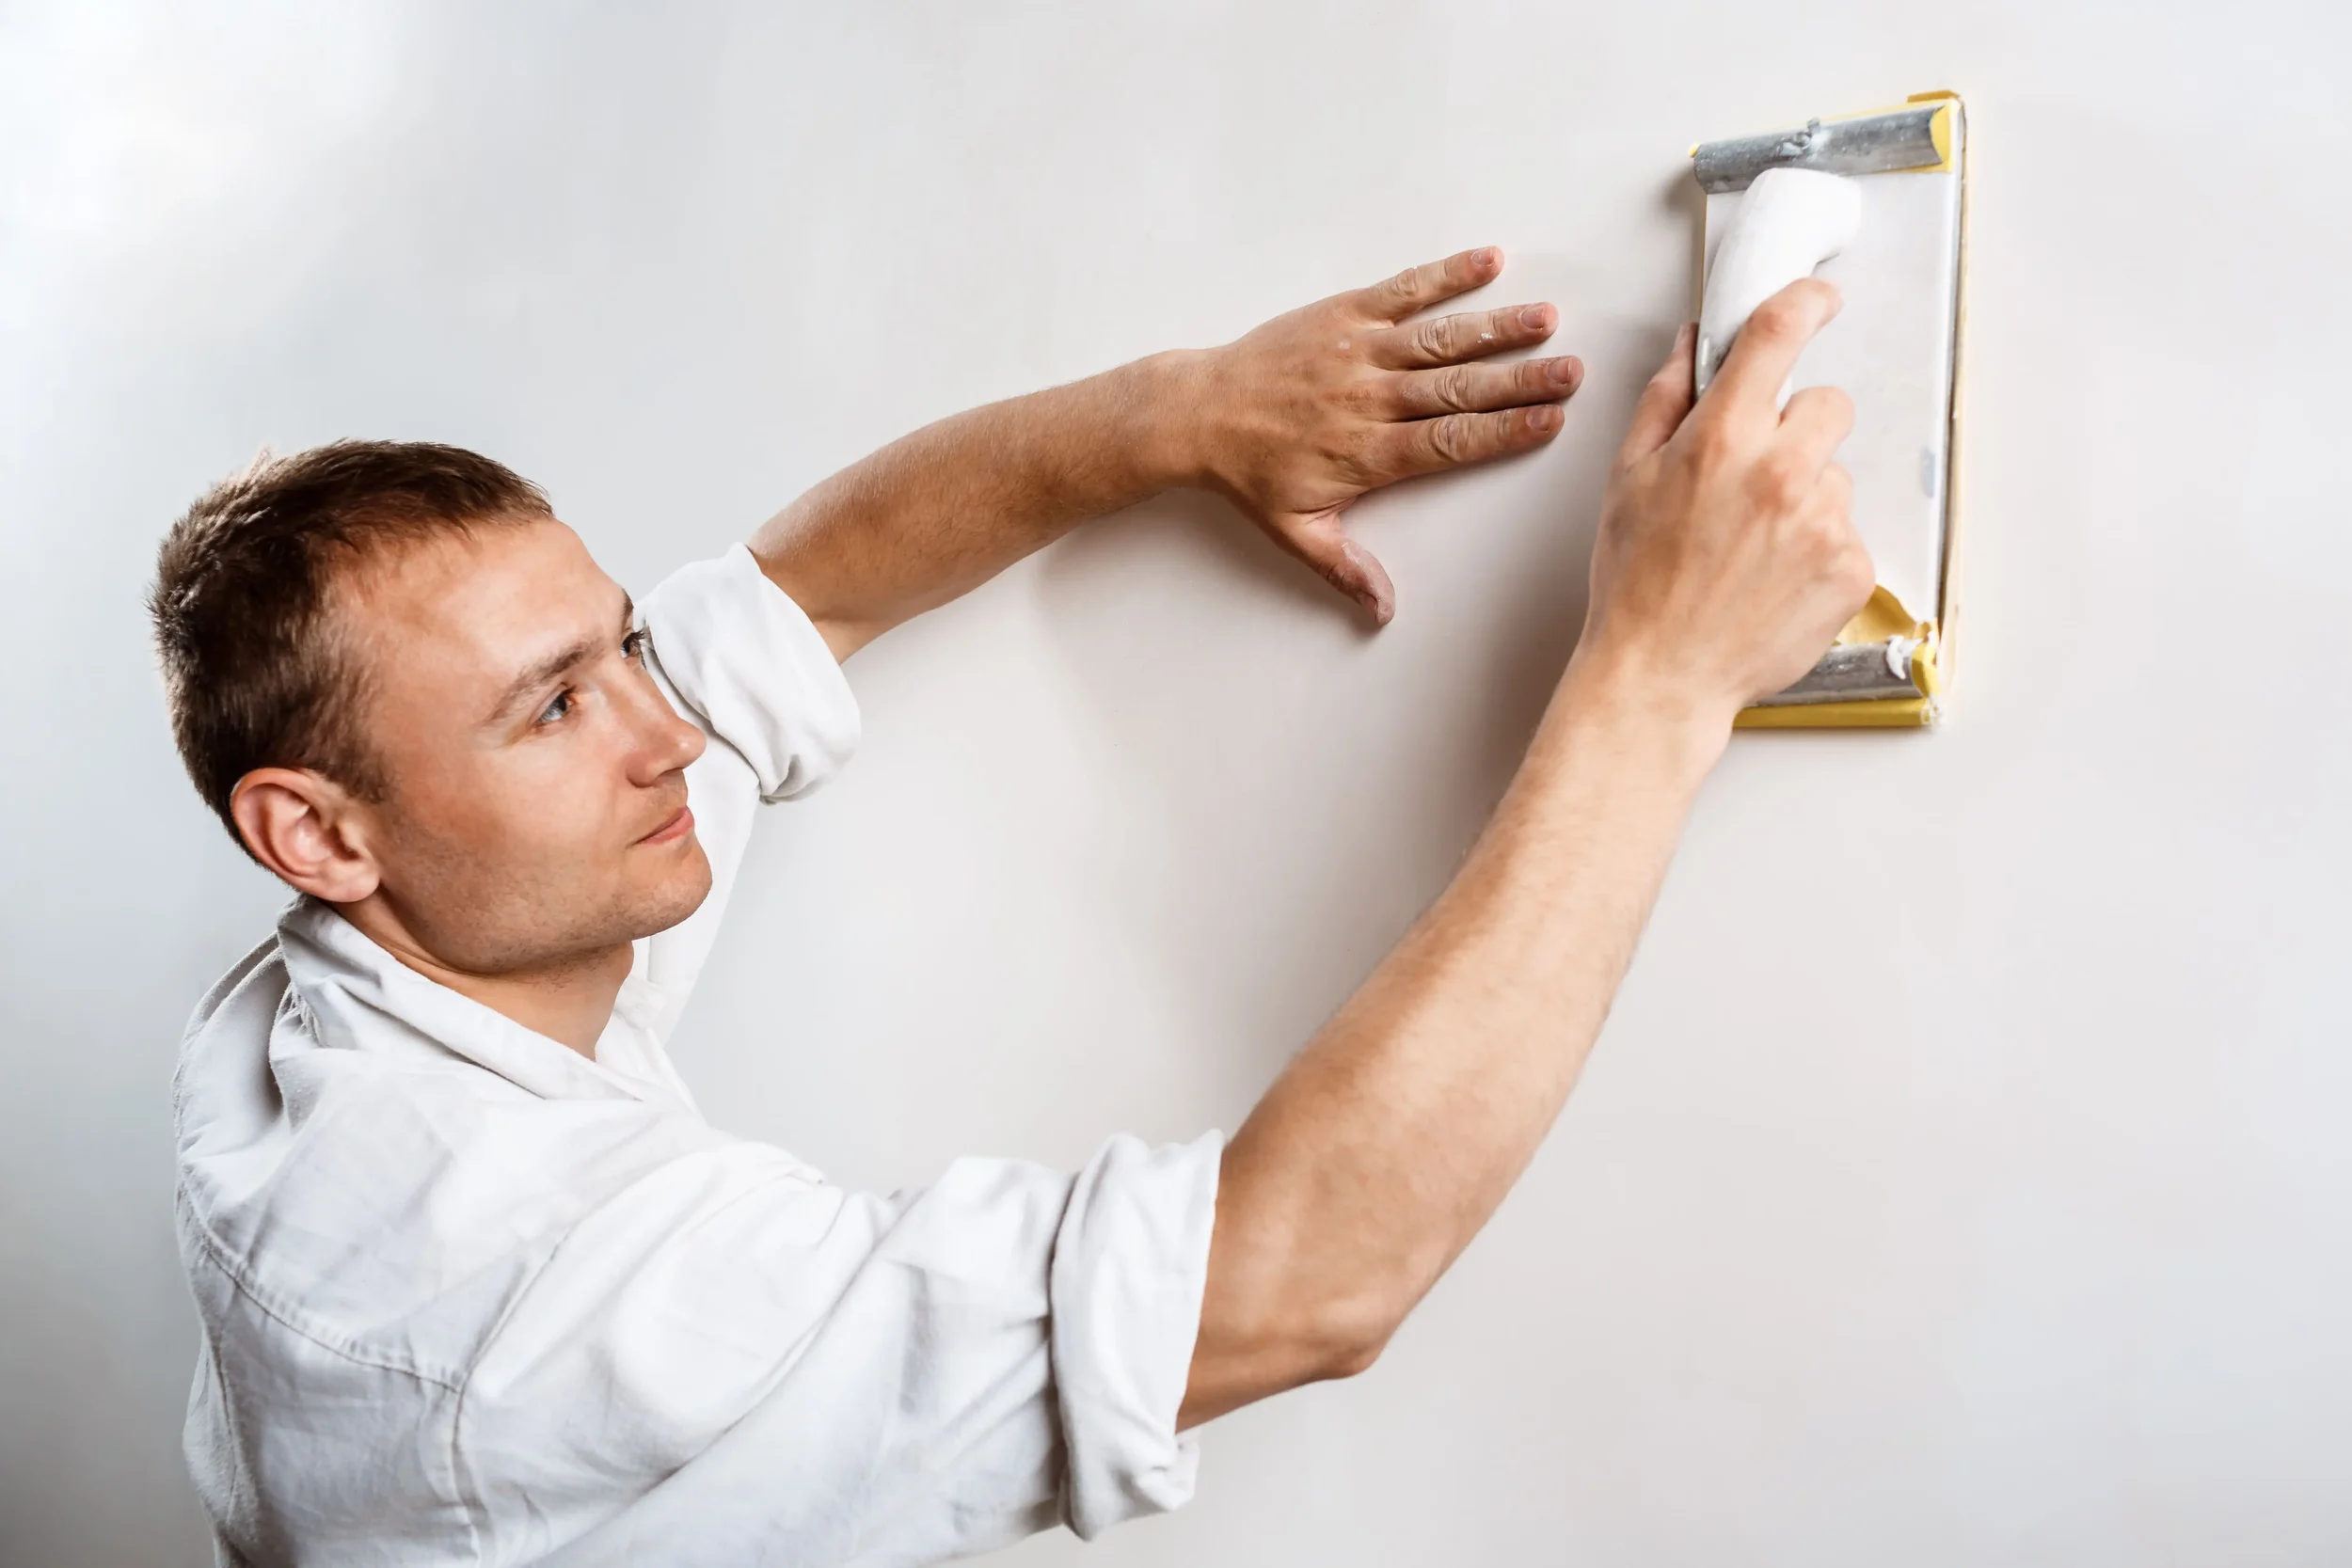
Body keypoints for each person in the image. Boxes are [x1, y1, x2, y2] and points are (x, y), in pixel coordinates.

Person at [152, 247, 1866, 1567]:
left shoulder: (376, 981)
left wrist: (1186, 411)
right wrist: (1662, 673)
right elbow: (1301, 1274)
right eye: (553, 707)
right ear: (314, 833)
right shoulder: (536, 1285)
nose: (660, 729)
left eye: (616, 648)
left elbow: (800, 594)